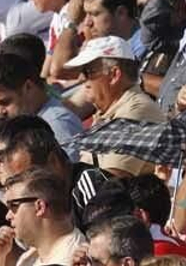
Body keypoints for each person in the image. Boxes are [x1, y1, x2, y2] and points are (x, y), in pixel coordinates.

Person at [64, 36, 167, 176]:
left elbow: (112, 181)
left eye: (88, 72)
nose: (82, 79)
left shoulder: (137, 112)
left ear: (114, 75)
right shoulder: (109, 112)